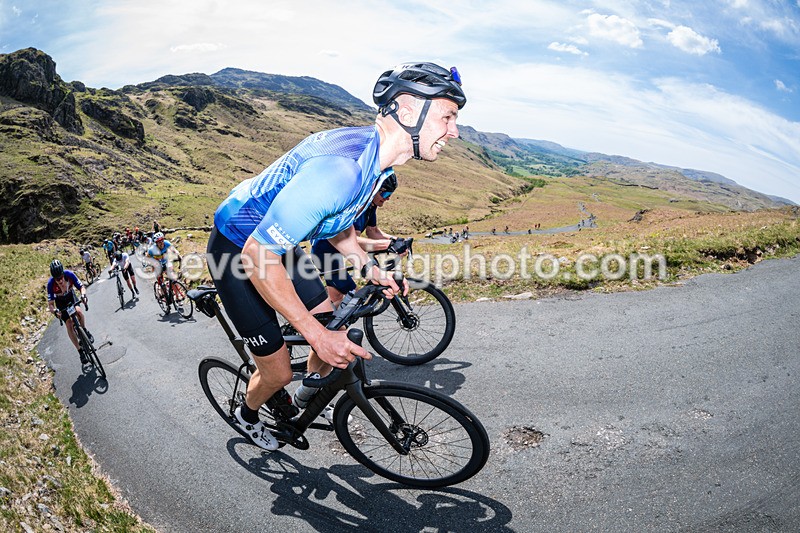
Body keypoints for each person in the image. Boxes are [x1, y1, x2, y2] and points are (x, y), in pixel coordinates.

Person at [207, 61, 465, 450]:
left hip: (279, 246)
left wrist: (368, 268)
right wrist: (315, 335)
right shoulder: (340, 171)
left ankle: (305, 400)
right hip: (238, 250)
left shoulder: (375, 163)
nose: (455, 131)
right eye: (448, 116)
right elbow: (257, 256)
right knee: (278, 370)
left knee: (335, 334)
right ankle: (247, 415)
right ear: (409, 109)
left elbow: (336, 223)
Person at [311, 170, 409, 308]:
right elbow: (353, 241)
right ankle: (317, 322)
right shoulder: (359, 208)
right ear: (374, 189)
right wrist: (387, 245)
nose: (387, 198)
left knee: (336, 298)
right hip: (325, 253)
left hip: (336, 253)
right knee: (354, 296)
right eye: (385, 193)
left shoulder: (370, 206)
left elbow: (373, 232)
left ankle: (325, 322)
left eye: (390, 195)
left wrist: (398, 240)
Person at [46, 259, 93, 364]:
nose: (60, 281)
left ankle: (84, 331)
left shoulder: (69, 274)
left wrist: (83, 295)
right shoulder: (51, 284)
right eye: (57, 279)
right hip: (61, 303)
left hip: (71, 297)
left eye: (61, 277)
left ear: (63, 273)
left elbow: (81, 287)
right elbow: (50, 305)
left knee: (79, 312)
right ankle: (80, 351)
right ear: (54, 278)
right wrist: (55, 312)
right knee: (69, 324)